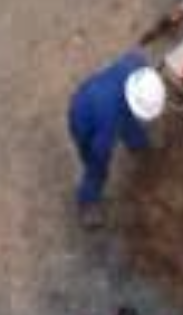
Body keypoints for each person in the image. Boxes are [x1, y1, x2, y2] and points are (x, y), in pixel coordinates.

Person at [68, 51, 166, 223]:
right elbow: (100, 152)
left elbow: (132, 56)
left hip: (108, 95)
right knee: (97, 169)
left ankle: (138, 144)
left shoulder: (138, 66)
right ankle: (87, 202)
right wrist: (96, 160)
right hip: (83, 118)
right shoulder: (108, 118)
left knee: (129, 123)